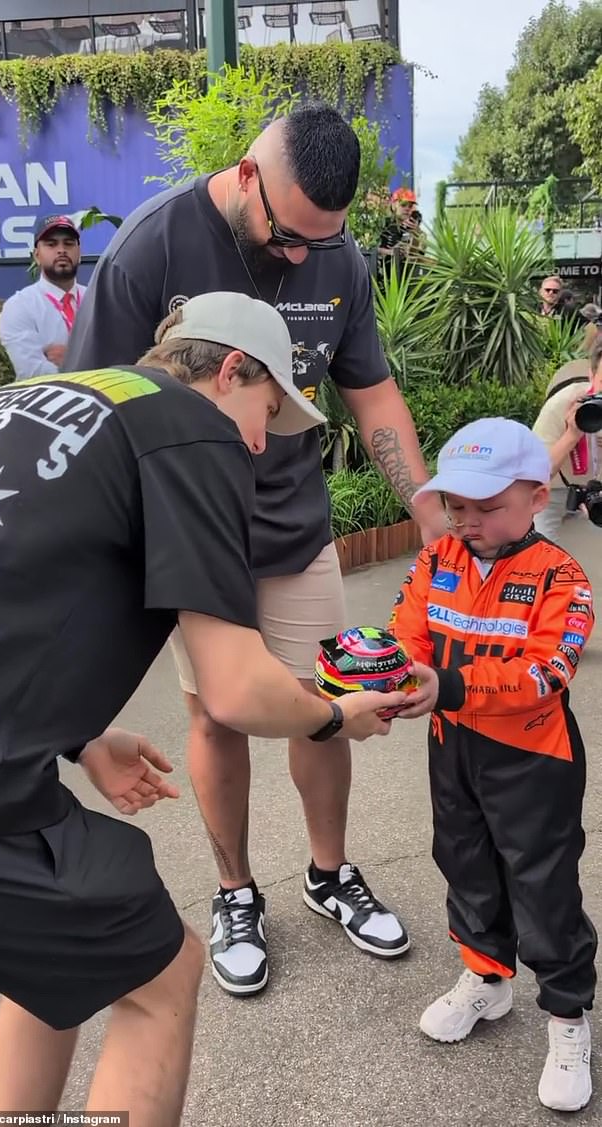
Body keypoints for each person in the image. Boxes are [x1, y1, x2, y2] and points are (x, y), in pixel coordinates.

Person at [0, 291, 400, 1126]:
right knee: (161, 980)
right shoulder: (192, 428)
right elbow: (235, 685)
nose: (256, 447)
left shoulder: (30, 400)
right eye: (262, 415)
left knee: (52, 965)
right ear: (232, 367)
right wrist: (334, 717)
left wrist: (80, 734)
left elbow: (3, 583)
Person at [63, 103, 445, 996]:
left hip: (291, 518)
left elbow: (374, 395)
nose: (304, 255)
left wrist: (424, 509)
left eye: (326, 238)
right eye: (288, 234)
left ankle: (329, 871)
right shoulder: (150, 251)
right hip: (194, 530)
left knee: (323, 701)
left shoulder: (335, 253)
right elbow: (94, 404)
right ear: (245, 176)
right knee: (216, 713)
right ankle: (236, 890)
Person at [388, 417, 597, 1113]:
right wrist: (375, 674)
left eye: (487, 506)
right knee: (464, 862)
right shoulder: (437, 557)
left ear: (538, 497)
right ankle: (486, 976)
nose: (467, 522)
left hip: (532, 758)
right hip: (451, 749)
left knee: (542, 885)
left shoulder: (562, 576)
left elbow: (546, 673)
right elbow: (406, 632)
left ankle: (568, 1018)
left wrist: (446, 685)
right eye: (456, 505)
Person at [0, 214, 86, 380]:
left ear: (79, 253)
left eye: (68, 243)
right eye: (51, 244)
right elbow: (32, 373)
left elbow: (120, 357)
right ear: (37, 256)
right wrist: (91, 362)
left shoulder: (97, 298)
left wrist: (70, 360)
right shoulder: (19, 306)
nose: (61, 250)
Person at [533, 334, 602, 542]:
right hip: (552, 491)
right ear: (591, 375)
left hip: (597, 491)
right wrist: (572, 434)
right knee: (536, 549)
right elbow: (535, 474)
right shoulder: (562, 405)